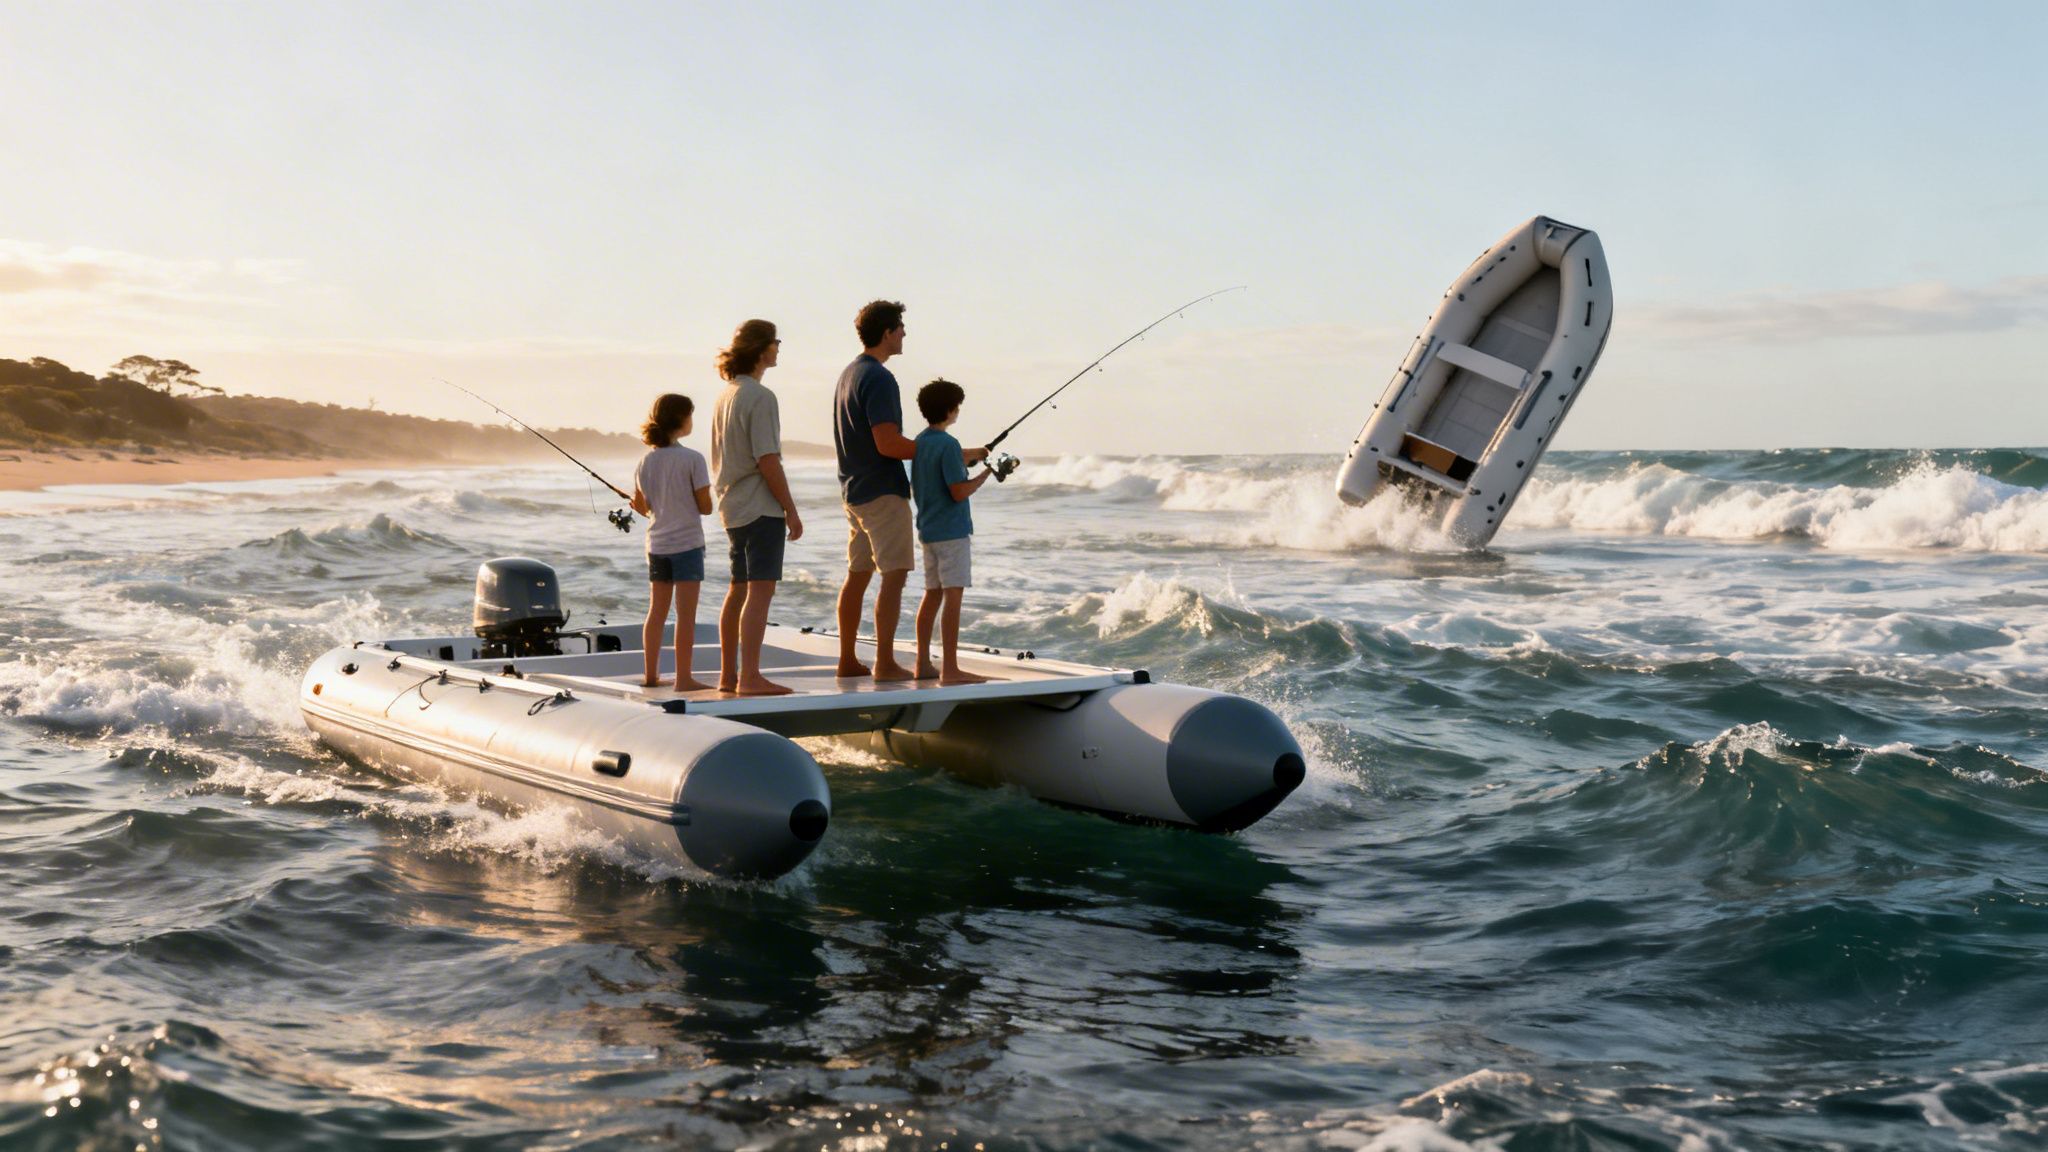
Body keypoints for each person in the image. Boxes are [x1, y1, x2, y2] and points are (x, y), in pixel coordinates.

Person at [832, 299, 984, 681]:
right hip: (881, 492)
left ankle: (848, 658)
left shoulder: (849, 374)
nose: (904, 333)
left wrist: (946, 453)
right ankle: (884, 663)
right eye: (900, 327)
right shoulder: (880, 378)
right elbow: (888, 443)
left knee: (858, 575)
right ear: (886, 332)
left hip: (853, 490)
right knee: (895, 574)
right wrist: (942, 451)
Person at [710, 319, 803, 696]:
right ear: (762, 349)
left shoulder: (725, 394)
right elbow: (768, 459)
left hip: (731, 505)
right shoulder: (761, 397)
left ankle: (727, 675)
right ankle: (750, 676)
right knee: (760, 590)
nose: (779, 348)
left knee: (738, 589)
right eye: (776, 342)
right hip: (759, 505)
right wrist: (791, 510)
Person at [910, 378, 1005, 685]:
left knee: (931, 596)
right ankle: (950, 669)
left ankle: (923, 663)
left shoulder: (922, 441)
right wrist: (987, 473)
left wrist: (975, 454)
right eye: (958, 406)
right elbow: (958, 492)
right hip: (952, 533)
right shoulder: (948, 444)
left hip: (928, 530)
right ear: (951, 409)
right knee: (953, 598)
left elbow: (947, 461)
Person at [630, 393, 714, 691]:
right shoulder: (693, 459)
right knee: (685, 615)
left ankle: (651, 676)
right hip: (687, 544)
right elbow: (706, 507)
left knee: (657, 612)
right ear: (680, 419)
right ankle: (684, 678)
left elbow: (643, 507)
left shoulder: (645, 462)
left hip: (657, 546)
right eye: (690, 415)